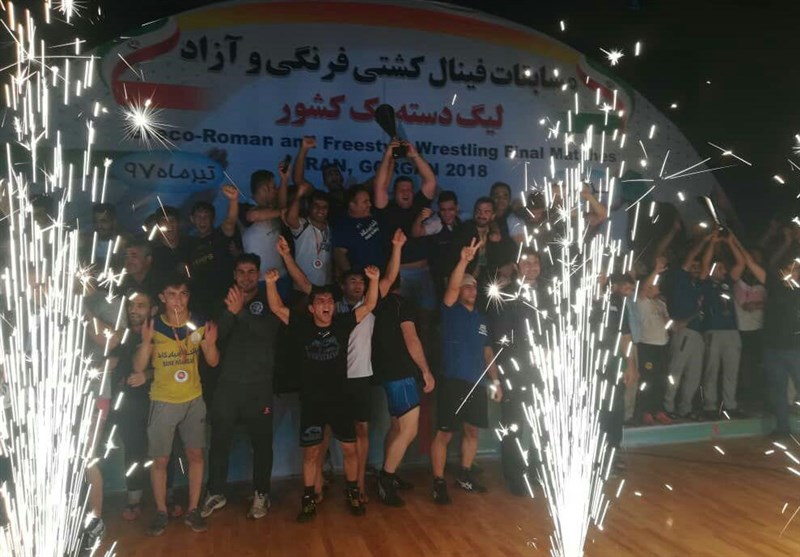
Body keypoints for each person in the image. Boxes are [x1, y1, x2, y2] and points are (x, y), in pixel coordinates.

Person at [265, 263, 381, 522]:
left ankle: (353, 492)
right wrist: (271, 284)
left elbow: (369, 305)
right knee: (311, 453)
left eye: (329, 300)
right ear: (311, 308)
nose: (326, 304)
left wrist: (373, 280)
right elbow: (276, 308)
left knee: (350, 450)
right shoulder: (301, 325)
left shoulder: (342, 323)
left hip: (340, 399)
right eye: (320, 301)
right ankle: (308, 499)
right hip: (312, 402)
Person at [131, 275, 220, 535]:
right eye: (172, 294)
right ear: (162, 297)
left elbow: (213, 361)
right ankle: (161, 511)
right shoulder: (154, 325)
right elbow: (138, 367)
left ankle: (193, 510)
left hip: (193, 399)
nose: (178, 300)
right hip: (163, 400)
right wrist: (146, 343)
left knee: (196, 455)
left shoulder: (199, 323)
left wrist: (210, 345)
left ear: (188, 296)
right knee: (160, 459)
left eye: (183, 294)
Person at [200, 253, 282, 520]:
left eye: (251, 272)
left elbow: (268, 333)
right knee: (219, 442)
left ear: (257, 274)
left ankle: (261, 494)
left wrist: (241, 314)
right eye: (241, 272)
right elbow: (215, 337)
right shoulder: (222, 302)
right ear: (234, 275)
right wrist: (230, 313)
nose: (246, 277)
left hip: (259, 387)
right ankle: (215, 492)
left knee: (262, 444)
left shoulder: (269, 300)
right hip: (227, 386)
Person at [431, 238, 503, 504]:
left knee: (472, 431)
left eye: (473, 286)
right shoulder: (450, 311)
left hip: (477, 383)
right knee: (445, 433)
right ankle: (438, 482)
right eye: (466, 286)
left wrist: (496, 381)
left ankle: (464, 474)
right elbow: (452, 287)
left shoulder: (481, 319)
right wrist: (464, 260)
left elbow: (487, 352)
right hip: (453, 381)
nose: (471, 289)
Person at [371, 257, 436, 506]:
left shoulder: (375, 303)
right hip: (401, 372)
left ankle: (390, 473)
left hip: (385, 371)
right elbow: (411, 338)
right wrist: (425, 370)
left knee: (397, 427)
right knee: (409, 430)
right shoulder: (402, 304)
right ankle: (386, 480)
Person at [663, 233, 713, 419]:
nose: (696, 268)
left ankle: (685, 408)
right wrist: (704, 240)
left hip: (698, 334)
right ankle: (668, 408)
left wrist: (712, 243)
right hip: (684, 332)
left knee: (694, 375)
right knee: (676, 371)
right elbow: (691, 257)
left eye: (697, 267)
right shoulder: (680, 280)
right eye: (693, 266)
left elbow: (706, 266)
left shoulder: (699, 285)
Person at [699, 231, 745, 419]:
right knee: (711, 370)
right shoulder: (705, 282)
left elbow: (741, 264)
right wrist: (712, 242)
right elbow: (704, 264)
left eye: (724, 268)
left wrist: (731, 242)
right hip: (713, 331)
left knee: (731, 371)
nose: (723, 271)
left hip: (732, 331)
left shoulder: (727, 282)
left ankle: (730, 406)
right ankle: (710, 407)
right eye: (719, 268)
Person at [185, 185, 241, 316]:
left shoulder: (220, 235)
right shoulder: (188, 243)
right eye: (198, 217)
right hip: (200, 302)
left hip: (225, 300)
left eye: (206, 216)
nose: (202, 220)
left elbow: (230, 222)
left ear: (213, 218)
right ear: (192, 219)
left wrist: (233, 200)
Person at [240, 166, 290, 298]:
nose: (276, 190)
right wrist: (282, 212)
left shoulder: (272, 208)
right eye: (273, 187)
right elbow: (253, 215)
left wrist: (284, 180)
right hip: (260, 281)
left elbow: (282, 207)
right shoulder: (244, 207)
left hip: (282, 277)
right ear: (264, 189)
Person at [634, 257, 672, 425]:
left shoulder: (661, 304)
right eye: (652, 284)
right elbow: (643, 289)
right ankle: (645, 412)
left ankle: (659, 410)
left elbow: (668, 325)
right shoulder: (642, 302)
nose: (656, 286)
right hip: (647, 345)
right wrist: (656, 270)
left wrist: (669, 322)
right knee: (647, 380)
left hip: (662, 345)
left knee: (661, 380)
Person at [284, 180, 333, 291]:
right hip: (302, 287)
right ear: (309, 207)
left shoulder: (330, 228)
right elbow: (290, 219)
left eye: (324, 207)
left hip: (325, 286)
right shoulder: (303, 224)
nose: (320, 210)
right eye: (316, 206)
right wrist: (299, 195)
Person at [332, 185, 385, 276]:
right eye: (365, 202)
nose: (369, 204)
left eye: (369, 201)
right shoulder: (343, 226)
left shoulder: (374, 214)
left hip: (384, 271)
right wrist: (351, 276)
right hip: (365, 276)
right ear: (352, 205)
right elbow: (339, 253)